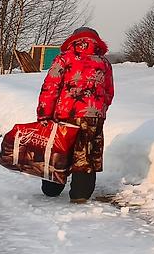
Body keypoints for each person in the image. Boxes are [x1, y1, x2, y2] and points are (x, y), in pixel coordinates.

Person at [35, 26, 115, 203]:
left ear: (73, 40)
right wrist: (99, 111)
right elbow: (108, 92)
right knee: (85, 153)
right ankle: (81, 194)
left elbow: (50, 88)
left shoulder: (63, 59)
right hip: (93, 116)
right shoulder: (104, 63)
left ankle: (51, 189)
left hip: (65, 114)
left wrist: (44, 115)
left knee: (59, 151)